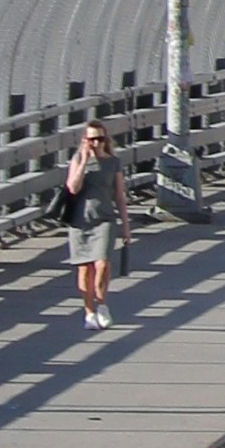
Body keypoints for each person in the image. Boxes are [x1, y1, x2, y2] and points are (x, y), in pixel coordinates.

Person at [61, 116, 125, 329]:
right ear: (85, 140)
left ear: (106, 139)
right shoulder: (78, 158)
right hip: (81, 221)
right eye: (91, 140)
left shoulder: (113, 162)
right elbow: (73, 188)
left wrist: (126, 226)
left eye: (99, 139)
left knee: (102, 263)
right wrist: (84, 160)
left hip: (105, 219)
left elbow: (120, 196)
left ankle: (102, 305)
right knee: (85, 270)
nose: (96, 143)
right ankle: (89, 313)